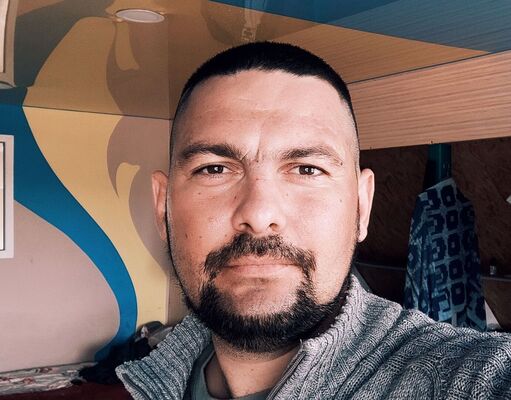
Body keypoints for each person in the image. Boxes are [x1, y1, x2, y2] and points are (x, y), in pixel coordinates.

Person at [116, 42, 511, 399]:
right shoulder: (148, 382)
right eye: (214, 169)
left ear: (362, 206)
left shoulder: (463, 379)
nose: (259, 214)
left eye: (307, 169)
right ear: (163, 206)